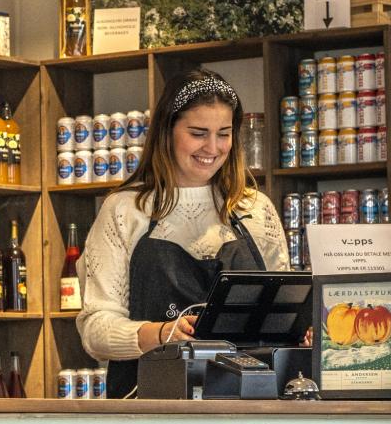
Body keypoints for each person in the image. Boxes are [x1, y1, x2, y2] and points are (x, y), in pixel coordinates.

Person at [75, 68, 289, 397]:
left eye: (224, 133)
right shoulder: (124, 210)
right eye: (199, 132)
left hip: (245, 411)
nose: (213, 147)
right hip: (148, 414)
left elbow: (282, 317)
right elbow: (95, 331)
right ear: (167, 130)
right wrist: (162, 334)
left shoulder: (256, 210)